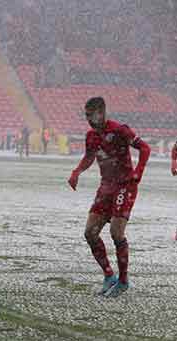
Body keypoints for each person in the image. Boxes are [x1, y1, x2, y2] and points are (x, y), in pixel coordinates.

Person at [67, 97, 151, 297]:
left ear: (101, 113)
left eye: (90, 114)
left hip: (125, 186)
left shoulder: (120, 130)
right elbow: (89, 157)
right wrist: (77, 171)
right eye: (86, 115)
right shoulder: (91, 136)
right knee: (90, 233)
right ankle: (109, 276)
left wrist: (138, 171)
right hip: (106, 188)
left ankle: (123, 281)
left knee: (116, 232)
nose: (87, 119)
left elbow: (145, 148)